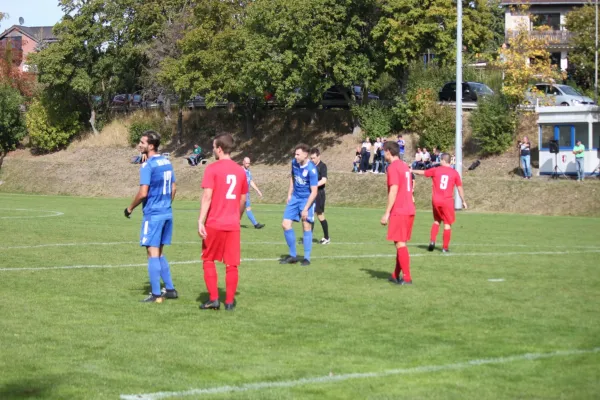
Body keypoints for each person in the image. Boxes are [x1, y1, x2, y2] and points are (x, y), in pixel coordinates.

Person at [124, 131, 178, 303]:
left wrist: (130, 208)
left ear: (151, 146)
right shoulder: (167, 162)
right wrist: (166, 204)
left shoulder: (147, 166)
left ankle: (156, 295)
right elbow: (174, 188)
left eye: (142, 142)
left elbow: (143, 193)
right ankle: (169, 289)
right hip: (167, 212)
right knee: (159, 252)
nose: (139, 145)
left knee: (152, 253)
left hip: (153, 214)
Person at [197, 134, 248, 311]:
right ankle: (229, 302)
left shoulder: (212, 169)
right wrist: (237, 217)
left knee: (208, 259)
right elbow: (243, 200)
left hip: (214, 222)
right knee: (231, 264)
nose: (212, 150)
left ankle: (214, 299)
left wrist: (200, 220)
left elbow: (207, 196)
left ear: (219, 148)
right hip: (233, 223)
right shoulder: (240, 170)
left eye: (213, 147)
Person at [413, 153, 467, 253]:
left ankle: (432, 241)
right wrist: (463, 201)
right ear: (450, 162)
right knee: (447, 224)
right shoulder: (454, 173)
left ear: (443, 160)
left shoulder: (436, 170)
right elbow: (459, 188)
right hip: (447, 201)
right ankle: (445, 248)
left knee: (437, 221)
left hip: (436, 200)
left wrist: (411, 170)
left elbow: (423, 172)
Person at [381, 141, 415, 285]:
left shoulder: (393, 167)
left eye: (384, 151)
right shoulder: (404, 165)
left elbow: (394, 190)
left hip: (399, 209)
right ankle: (395, 275)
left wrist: (387, 213)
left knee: (400, 244)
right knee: (400, 242)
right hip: (409, 208)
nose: (383, 154)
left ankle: (407, 278)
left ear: (388, 151)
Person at [280, 144, 319, 266]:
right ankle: (293, 256)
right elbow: (293, 177)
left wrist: (306, 208)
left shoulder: (312, 169)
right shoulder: (294, 163)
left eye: (298, 154)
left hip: (306, 199)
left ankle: (306, 258)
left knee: (306, 227)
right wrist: (289, 194)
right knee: (285, 224)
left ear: (305, 155)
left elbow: (314, 192)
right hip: (295, 198)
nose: (295, 156)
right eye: (295, 154)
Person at [310, 148, 330, 244]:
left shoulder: (322, 166)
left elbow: (324, 180)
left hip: (319, 193)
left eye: (313, 158)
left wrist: (314, 185)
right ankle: (308, 237)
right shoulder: (310, 166)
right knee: (310, 214)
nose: (312, 160)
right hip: (310, 193)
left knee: (320, 215)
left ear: (319, 156)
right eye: (311, 158)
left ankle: (327, 238)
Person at [242, 157, 265, 229]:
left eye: (249, 163)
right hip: (241, 194)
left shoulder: (248, 171)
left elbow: (250, 181)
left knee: (246, 208)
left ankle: (256, 224)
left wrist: (258, 190)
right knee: (241, 209)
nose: (248, 165)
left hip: (246, 193)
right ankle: (256, 224)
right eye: (246, 163)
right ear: (243, 162)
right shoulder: (240, 170)